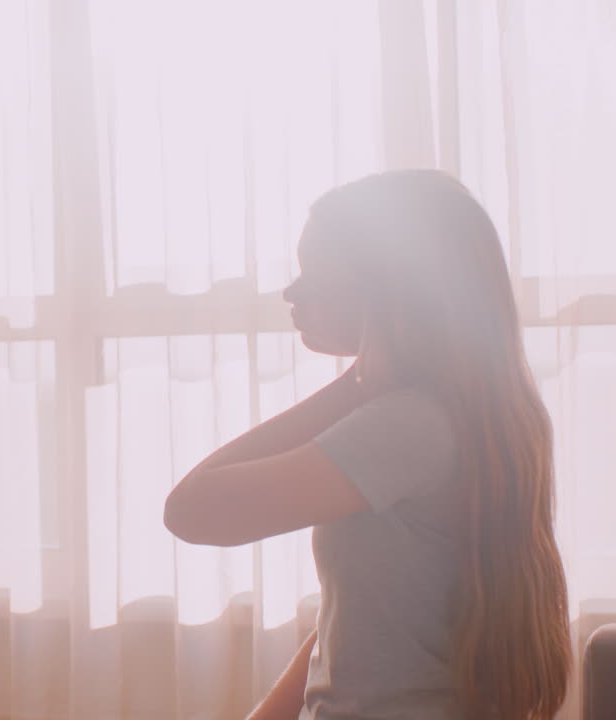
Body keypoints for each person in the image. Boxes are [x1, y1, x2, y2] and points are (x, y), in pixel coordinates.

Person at [163, 169, 571, 720]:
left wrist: (360, 379)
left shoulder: (408, 425)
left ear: (385, 286)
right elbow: (363, 620)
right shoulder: (476, 415)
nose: (292, 291)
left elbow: (192, 510)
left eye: (314, 271)